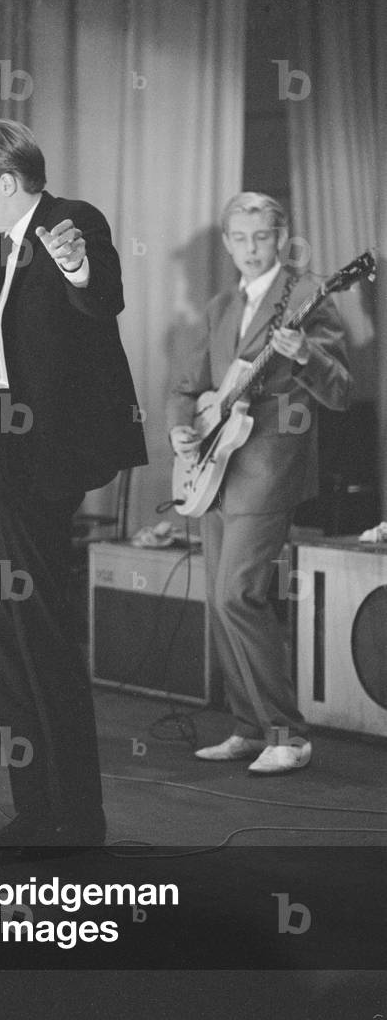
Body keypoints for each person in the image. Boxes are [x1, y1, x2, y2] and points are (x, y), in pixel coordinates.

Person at [0, 119, 147, 844]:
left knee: (44, 636)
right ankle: (36, 811)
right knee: (6, 635)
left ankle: (76, 819)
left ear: (4, 180)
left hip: (40, 456)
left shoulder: (71, 221)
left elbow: (102, 298)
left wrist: (79, 267)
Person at [168, 192, 352, 775]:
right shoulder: (223, 304)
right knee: (220, 603)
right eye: (240, 239)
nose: (251, 249)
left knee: (236, 594)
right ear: (226, 243)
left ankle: (288, 735)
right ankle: (249, 728)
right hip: (215, 466)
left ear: (282, 237)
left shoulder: (306, 296)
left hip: (269, 468)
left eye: (263, 238)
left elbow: (342, 389)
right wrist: (179, 431)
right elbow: (186, 386)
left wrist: (302, 358)